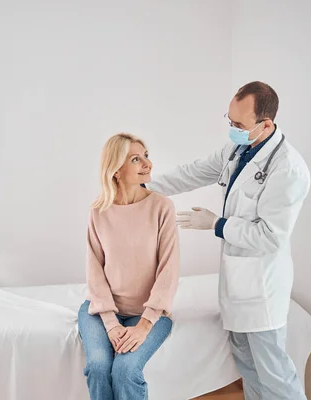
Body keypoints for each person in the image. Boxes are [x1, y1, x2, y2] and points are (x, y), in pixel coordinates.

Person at [147, 81, 310, 399]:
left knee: (275, 376)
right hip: (237, 285)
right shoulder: (239, 149)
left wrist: (217, 224)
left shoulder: (288, 169)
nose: (232, 129)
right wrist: (146, 189)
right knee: (249, 369)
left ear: (265, 124)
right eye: (229, 120)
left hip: (261, 290)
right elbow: (195, 171)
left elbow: (269, 236)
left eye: (239, 124)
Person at [78, 133, 180, 400]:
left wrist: (145, 324)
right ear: (116, 170)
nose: (147, 164)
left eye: (146, 156)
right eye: (136, 159)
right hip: (100, 312)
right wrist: (111, 324)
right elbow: (95, 272)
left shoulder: (162, 207)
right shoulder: (98, 211)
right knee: (98, 367)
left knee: (125, 371)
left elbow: (168, 270)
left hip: (148, 314)